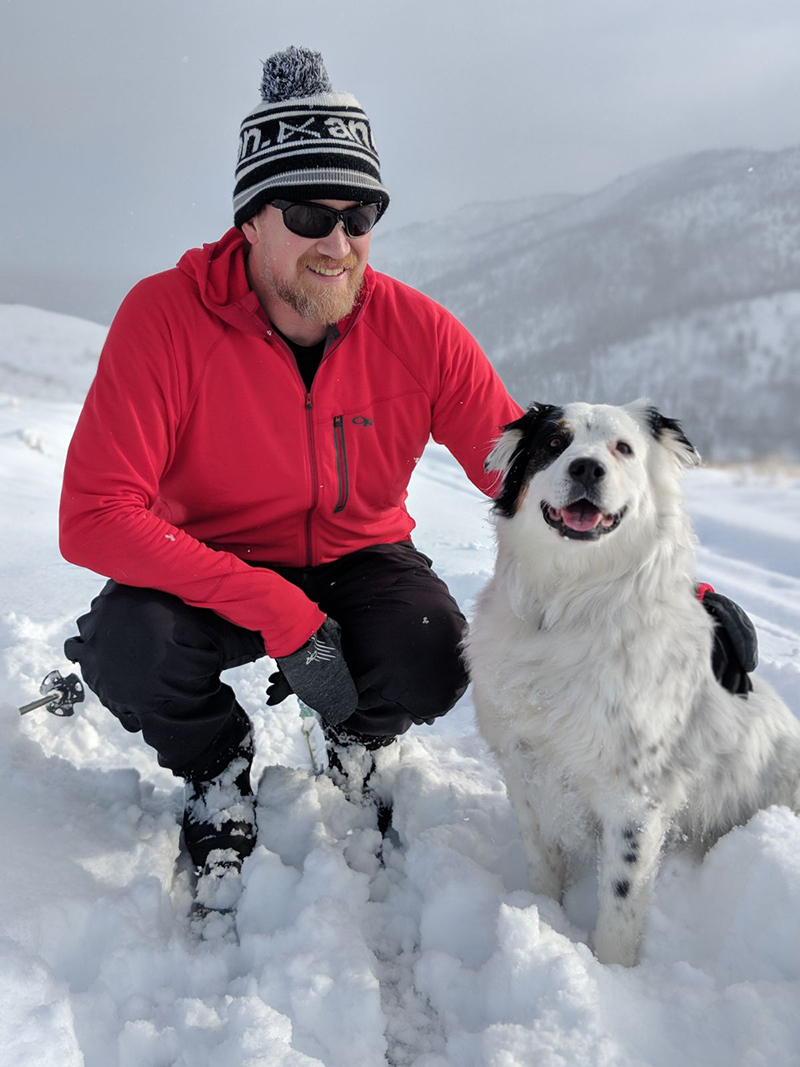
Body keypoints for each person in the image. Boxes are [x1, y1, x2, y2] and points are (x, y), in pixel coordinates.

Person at [59, 46, 756, 890]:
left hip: (359, 560)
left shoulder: (419, 332)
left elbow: (546, 485)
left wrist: (686, 598)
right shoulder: (164, 320)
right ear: (250, 220)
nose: (340, 242)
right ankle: (216, 761)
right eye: (310, 217)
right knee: (130, 647)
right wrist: (275, 609)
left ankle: (357, 737)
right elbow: (94, 513)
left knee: (431, 652)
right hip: (216, 563)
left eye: (360, 216)